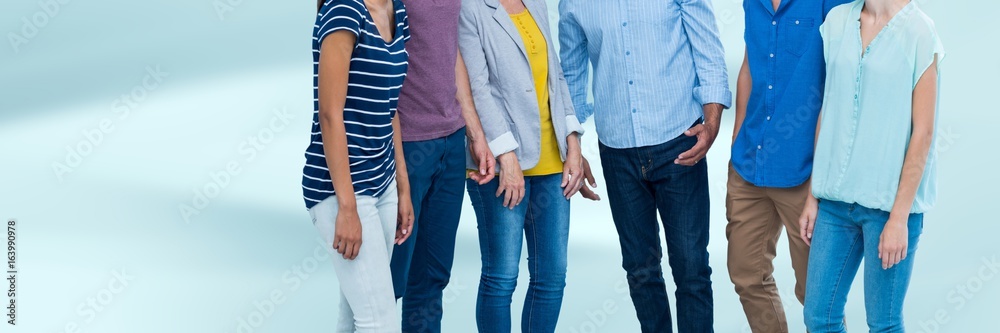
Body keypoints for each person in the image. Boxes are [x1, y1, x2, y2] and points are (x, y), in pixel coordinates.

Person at [559, 1, 731, 332]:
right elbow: (570, 73)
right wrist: (572, 147)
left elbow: (707, 48)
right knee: (640, 269)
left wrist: (711, 122)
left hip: (679, 138)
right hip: (617, 148)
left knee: (691, 267)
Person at [799, 0, 944, 331]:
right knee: (819, 317)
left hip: (888, 209)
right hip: (835, 204)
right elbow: (829, 108)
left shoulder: (920, 31)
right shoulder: (836, 22)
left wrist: (899, 218)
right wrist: (813, 195)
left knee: (884, 324)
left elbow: (923, 133)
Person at [458, 0, 586, 331]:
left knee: (552, 277)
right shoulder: (469, 8)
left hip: (552, 161)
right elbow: (476, 87)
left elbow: (555, 74)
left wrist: (573, 142)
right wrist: (505, 153)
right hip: (500, 166)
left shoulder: (535, 3)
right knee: (501, 277)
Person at [726, 0, 850, 331]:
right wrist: (737, 136)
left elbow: (846, 78)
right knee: (746, 274)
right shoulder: (752, 3)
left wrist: (824, 173)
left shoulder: (834, 4)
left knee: (817, 293)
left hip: (806, 172)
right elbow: (750, 66)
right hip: (749, 164)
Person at [303, 0, 414, 331]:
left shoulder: (397, 9)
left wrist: (402, 188)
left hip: (382, 181)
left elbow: (390, 107)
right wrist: (347, 208)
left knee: (355, 314)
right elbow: (329, 114)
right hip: (341, 189)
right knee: (379, 321)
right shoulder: (344, 11)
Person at [387, 0, 497, 331]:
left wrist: (474, 131)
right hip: (405, 144)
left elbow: (451, 52)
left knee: (432, 280)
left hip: (451, 142)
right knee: (387, 281)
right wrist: (399, 171)